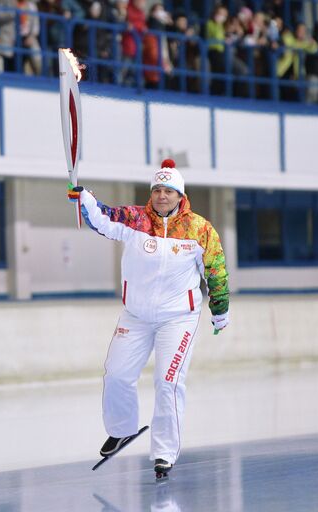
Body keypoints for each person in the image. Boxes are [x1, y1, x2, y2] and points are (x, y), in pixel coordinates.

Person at [67, 159, 230, 477]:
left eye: (168, 190)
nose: (161, 195)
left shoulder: (199, 230)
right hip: (136, 315)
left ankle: (165, 453)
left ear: (180, 195)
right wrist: (85, 198)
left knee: (167, 382)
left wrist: (220, 310)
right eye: (157, 189)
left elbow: (216, 270)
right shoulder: (136, 220)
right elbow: (104, 218)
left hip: (178, 318)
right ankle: (123, 428)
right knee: (115, 374)